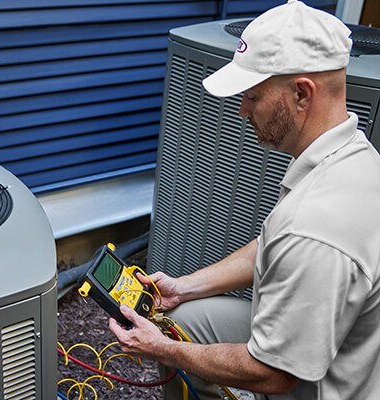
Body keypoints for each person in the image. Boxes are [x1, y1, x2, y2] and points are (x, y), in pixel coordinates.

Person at [108, 0, 380, 399]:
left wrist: (164, 349)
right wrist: (184, 287)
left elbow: (273, 374)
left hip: (324, 385)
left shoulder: (317, 226)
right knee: (182, 317)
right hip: (322, 343)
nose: (241, 110)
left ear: (302, 95)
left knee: (174, 341)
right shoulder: (351, 155)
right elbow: (273, 244)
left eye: (252, 96)